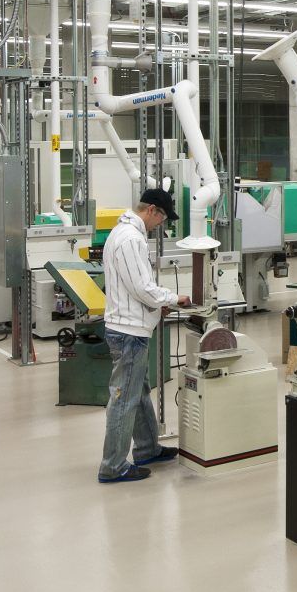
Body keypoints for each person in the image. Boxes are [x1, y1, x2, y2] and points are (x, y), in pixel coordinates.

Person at [96, 186, 188, 483]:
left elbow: (132, 287)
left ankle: (148, 448)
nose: (161, 225)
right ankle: (113, 465)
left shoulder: (122, 233)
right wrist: (173, 299)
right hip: (128, 332)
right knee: (124, 399)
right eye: (161, 218)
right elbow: (142, 288)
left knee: (139, 392)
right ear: (152, 211)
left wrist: (155, 308)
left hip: (131, 325)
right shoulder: (132, 238)